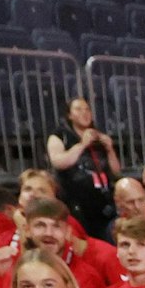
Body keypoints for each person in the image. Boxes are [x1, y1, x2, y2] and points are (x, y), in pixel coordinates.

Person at [46, 98, 119, 237]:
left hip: (102, 203)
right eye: (78, 109)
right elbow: (59, 162)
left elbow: (115, 171)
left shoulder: (98, 136)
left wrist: (110, 149)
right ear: (69, 115)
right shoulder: (60, 136)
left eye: (87, 109)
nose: (84, 113)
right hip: (75, 203)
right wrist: (82, 144)